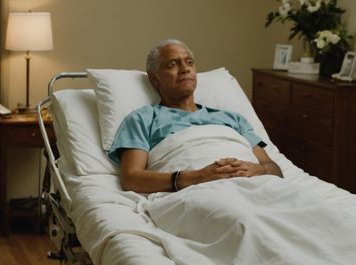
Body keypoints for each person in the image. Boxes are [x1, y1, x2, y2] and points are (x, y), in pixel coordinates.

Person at [109, 39, 282, 193]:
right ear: (154, 79)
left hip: (256, 185)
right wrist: (198, 177)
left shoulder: (233, 119)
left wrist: (257, 170)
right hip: (198, 192)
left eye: (189, 62)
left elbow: (273, 168)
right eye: (173, 64)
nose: (185, 69)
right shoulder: (143, 119)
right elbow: (131, 178)